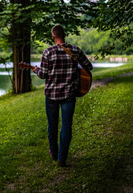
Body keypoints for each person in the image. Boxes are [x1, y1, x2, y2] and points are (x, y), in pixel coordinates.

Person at [33, 25, 93, 167]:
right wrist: (74, 71)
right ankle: (62, 159)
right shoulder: (75, 50)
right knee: (67, 126)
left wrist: (36, 70)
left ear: (53, 36)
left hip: (52, 95)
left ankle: (53, 153)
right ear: (64, 35)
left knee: (52, 125)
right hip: (69, 94)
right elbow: (88, 67)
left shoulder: (48, 52)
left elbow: (43, 75)